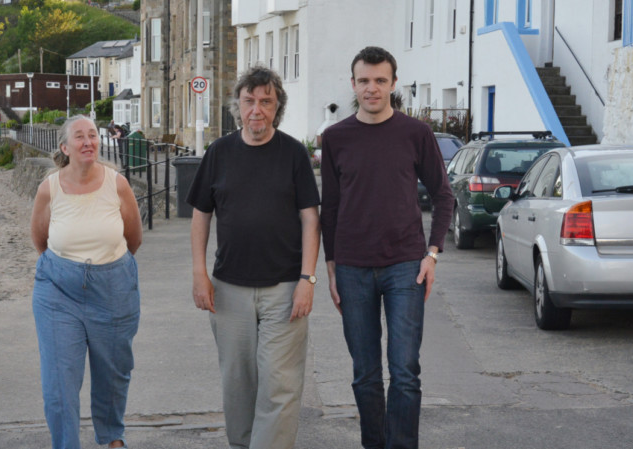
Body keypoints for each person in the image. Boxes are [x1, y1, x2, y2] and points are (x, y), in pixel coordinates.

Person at [320, 46, 454, 449]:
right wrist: (330, 266)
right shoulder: (336, 137)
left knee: (405, 370)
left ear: (393, 84)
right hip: (352, 268)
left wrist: (432, 254)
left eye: (380, 80)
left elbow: (444, 196)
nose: (372, 88)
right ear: (353, 84)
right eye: (364, 80)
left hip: (405, 266)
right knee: (365, 373)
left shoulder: (416, 133)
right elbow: (331, 207)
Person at [186, 65, 321, 449]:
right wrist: (200, 273)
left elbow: (311, 220)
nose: (257, 110)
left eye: (266, 101)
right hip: (229, 290)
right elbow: (200, 215)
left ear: (277, 107)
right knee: (238, 383)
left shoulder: (294, 153)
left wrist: (307, 281)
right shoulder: (219, 152)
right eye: (250, 101)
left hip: (284, 289)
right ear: (238, 106)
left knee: (279, 384)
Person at [30, 115, 142, 449]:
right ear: (65, 147)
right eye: (79, 136)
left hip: (114, 288)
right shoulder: (49, 188)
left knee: (113, 373)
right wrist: (70, 267)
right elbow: (40, 241)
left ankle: (111, 438)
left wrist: (104, 263)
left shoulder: (116, 183)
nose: (88, 141)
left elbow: (133, 239)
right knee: (59, 382)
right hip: (58, 292)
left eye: (92, 135)